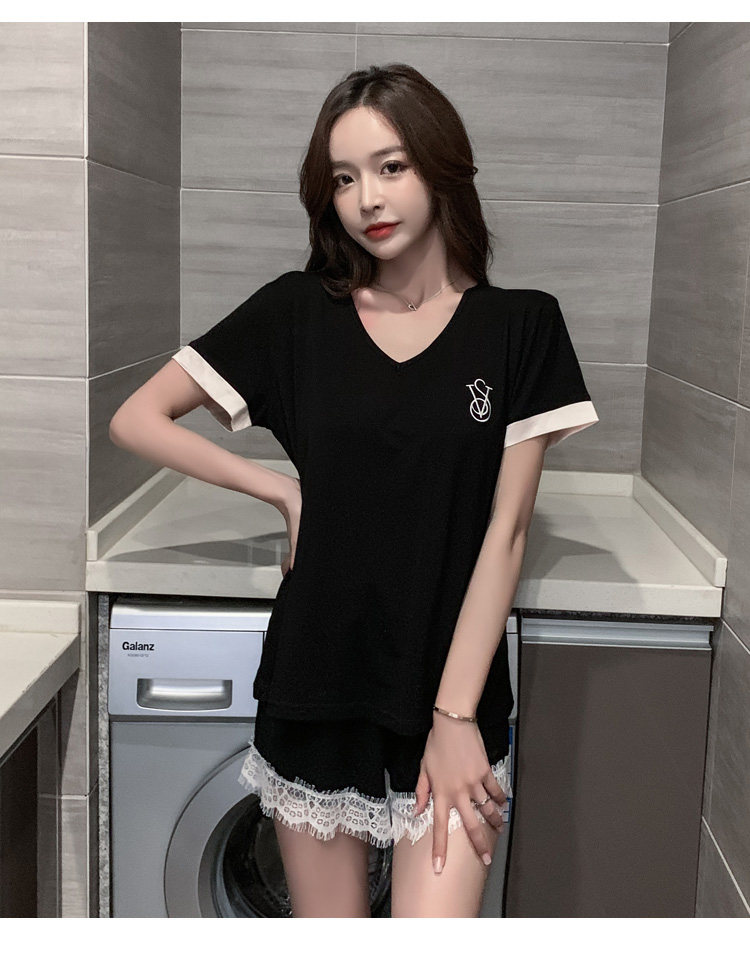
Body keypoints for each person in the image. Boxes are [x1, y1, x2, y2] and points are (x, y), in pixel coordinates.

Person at [109, 63, 599, 918]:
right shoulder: (297, 313)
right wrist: (282, 492)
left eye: (391, 166)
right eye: (342, 178)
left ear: (441, 166)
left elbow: (507, 531)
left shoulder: (521, 326)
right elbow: (137, 418)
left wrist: (455, 718)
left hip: (450, 694)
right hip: (317, 681)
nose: (367, 197)